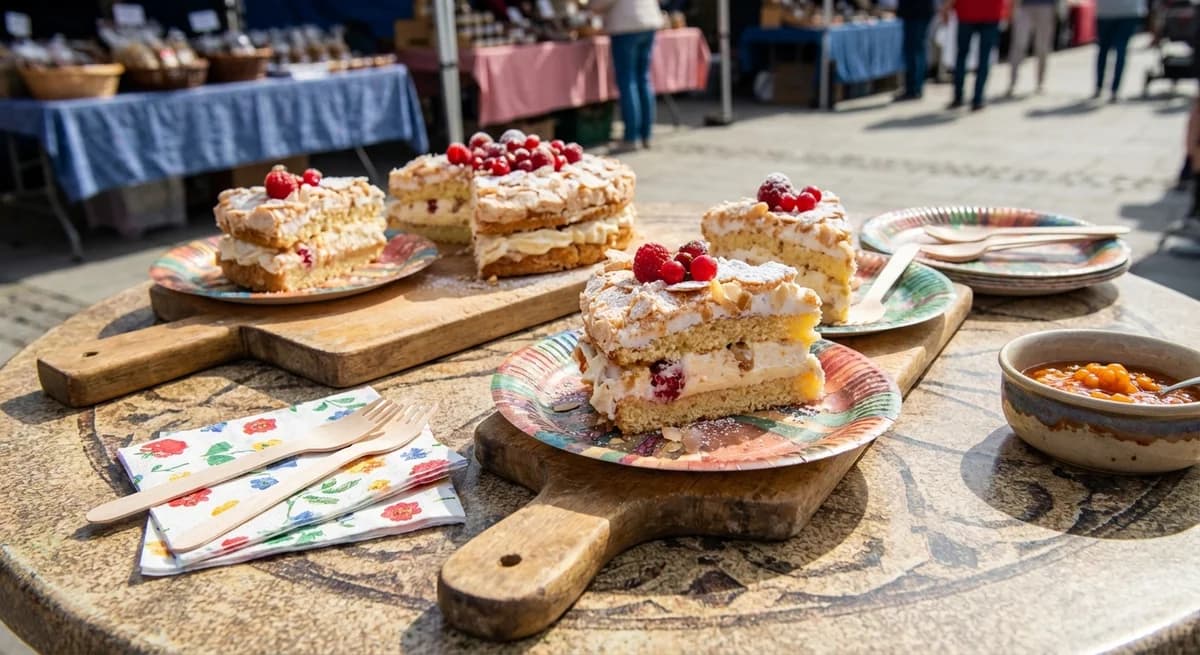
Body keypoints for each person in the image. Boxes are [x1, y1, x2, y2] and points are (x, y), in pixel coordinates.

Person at [591, 0, 665, 150]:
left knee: (628, 81)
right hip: (648, 21)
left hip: (627, 26)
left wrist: (590, 5)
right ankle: (646, 135)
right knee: (642, 79)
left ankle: (632, 137)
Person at [941, 0, 1005, 110]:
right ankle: (977, 99)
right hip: (990, 12)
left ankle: (958, 97)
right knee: (984, 58)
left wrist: (946, 8)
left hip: (967, 12)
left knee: (962, 56)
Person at [1094, 0, 1147, 102]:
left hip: (1106, 9)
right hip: (1129, 10)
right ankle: (1115, 90)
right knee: (1121, 49)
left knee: (1103, 49)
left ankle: (1099, 86)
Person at [1007, 0, 1057, 95]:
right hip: (1023, 6)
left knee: (1042, 48)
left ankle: (1040, 83)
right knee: (1019, 45)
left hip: (1046, 6)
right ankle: (1012, 83)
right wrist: (1013, 7)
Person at [896, 0, 937, 100]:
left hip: (915, 13)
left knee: (914, 52)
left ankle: (913, 89)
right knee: (917, 51)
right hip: (918, 12)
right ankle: (915, 88)